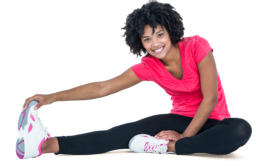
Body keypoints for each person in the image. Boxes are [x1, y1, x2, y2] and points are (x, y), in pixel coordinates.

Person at [16, 1, 252, 159]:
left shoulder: (197, 47)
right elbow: (103, 87)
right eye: (147, 39)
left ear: (170, 30)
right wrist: (52, 97)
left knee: (240, 130)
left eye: (160, 34)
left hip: (214, 123)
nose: (155, 44)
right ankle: (47, 145)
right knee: (120, 133)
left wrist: (182, 139)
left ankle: (166, 148)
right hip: (179, 118)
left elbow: (210, 99)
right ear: (140, 43)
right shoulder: (149, 66)